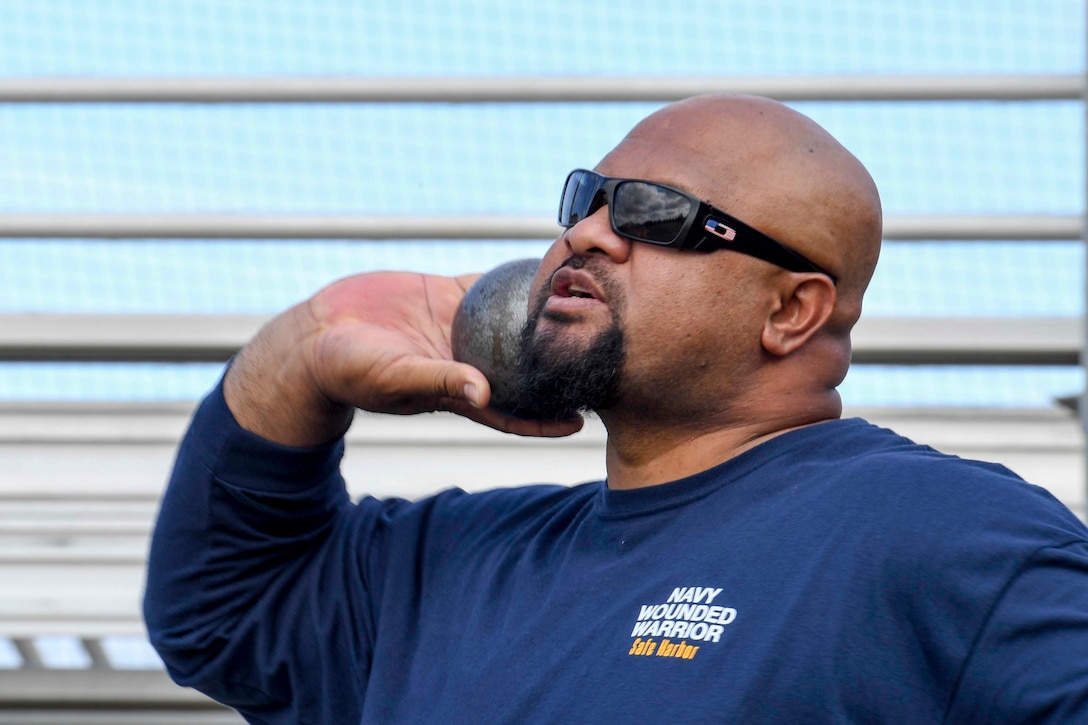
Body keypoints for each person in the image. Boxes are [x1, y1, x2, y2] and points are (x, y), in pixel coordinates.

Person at [144, 95, 1088, 724]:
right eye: (588, 198)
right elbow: (223, 611)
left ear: (792, 310)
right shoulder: (454, 564)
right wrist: (307, 349)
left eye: (655, 213)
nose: (587, 231)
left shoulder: (945, 536)